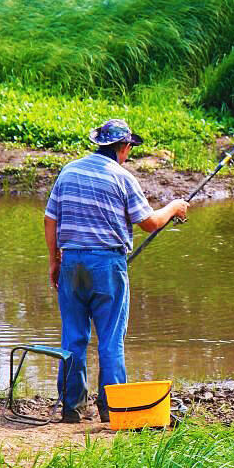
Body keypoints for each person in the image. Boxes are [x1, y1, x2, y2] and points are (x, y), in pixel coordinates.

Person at [43, 119, 189, 423]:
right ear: (122, 147)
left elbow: (50, 219)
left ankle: (71, 408)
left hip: (73, 263)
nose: (128, 154)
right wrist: (174, 207)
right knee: (110, 338)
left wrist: (54, 260)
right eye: (129, 149)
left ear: (99, 144)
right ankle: (113, 410)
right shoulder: (122, 178)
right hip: (107, 265)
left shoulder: (69, 171)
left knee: (73, 336)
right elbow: (148, 222)